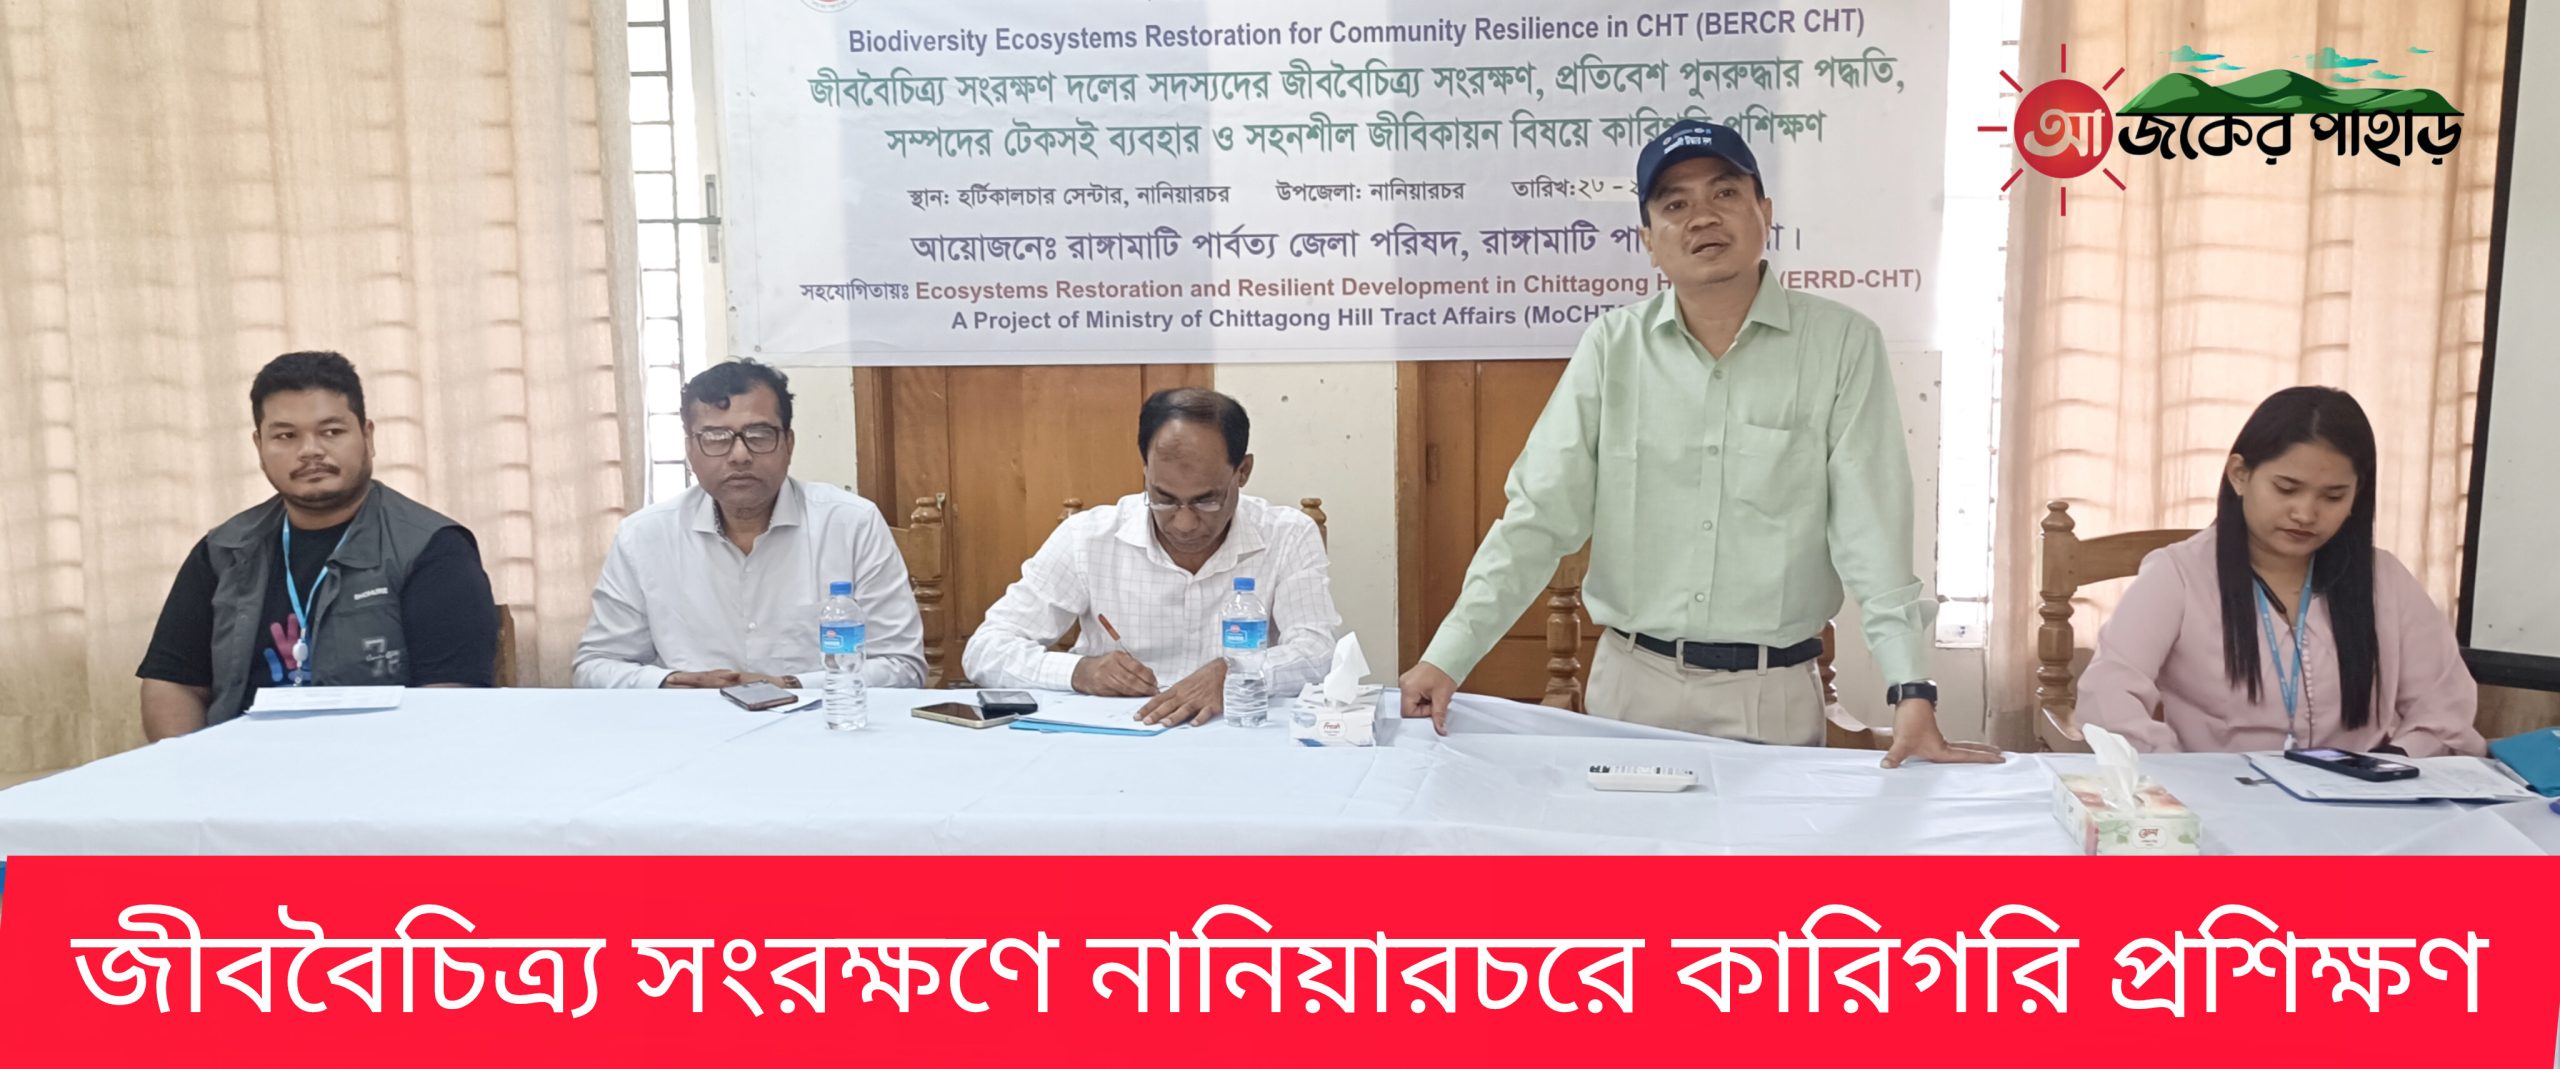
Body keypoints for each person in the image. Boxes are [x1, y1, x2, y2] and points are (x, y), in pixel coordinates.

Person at [1396, 119, 1997, 767]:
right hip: (1631, 690)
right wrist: (1447, 656)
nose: (1702, 217)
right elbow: (1537, 519)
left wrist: (1911, 688)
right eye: (1675, 204)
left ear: (1765, 213)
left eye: (1725, 193)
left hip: (1772, 695)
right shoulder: (1612, 348)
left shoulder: (1842, 346)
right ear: (1649, 241)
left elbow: (1871, 533)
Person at [2073, 387, 2484, 756]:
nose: (2305, 513)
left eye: (2333, 496)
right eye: (2287, 489)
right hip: (2222, 796)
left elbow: (2444, 708)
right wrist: (2177, 773)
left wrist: (2391, 765)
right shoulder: (2178, 575)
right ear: (2240, 475)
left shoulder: (2385, 581)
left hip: (2357, 800)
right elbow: (2107, 695)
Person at [137, 351, 498, 739]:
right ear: (259, 445)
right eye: (286, 436)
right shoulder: (223, 551)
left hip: (378, 765)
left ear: (367, 437)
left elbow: (449, 700)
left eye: (331, 431)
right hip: (240, 768)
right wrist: (190, 764)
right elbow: (172, 682)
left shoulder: (433, 549)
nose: (309, 450)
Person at [963, 388, 1341, 726]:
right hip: (1115, 739)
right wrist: (1078, 672)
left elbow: (1317, 652)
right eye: (1163, 498)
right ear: (1145, 470)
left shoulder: (1288, 535)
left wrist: (1237, 672)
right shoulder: (1087, 538)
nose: (1184, 523)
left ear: (1242, 472)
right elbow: (986, 649)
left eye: (1206, 500)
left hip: (1239, 732)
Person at [575, 360, 924, 690]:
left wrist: (792, 686)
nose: (739, 455)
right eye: (715, 438)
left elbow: (903, 666)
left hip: (818, 720)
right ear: (690, 451)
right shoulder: (643, 536)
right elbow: (595, 666)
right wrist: (673, 683)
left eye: (759, 435)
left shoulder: (851, 524)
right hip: (692, 721)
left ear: (788, 444)